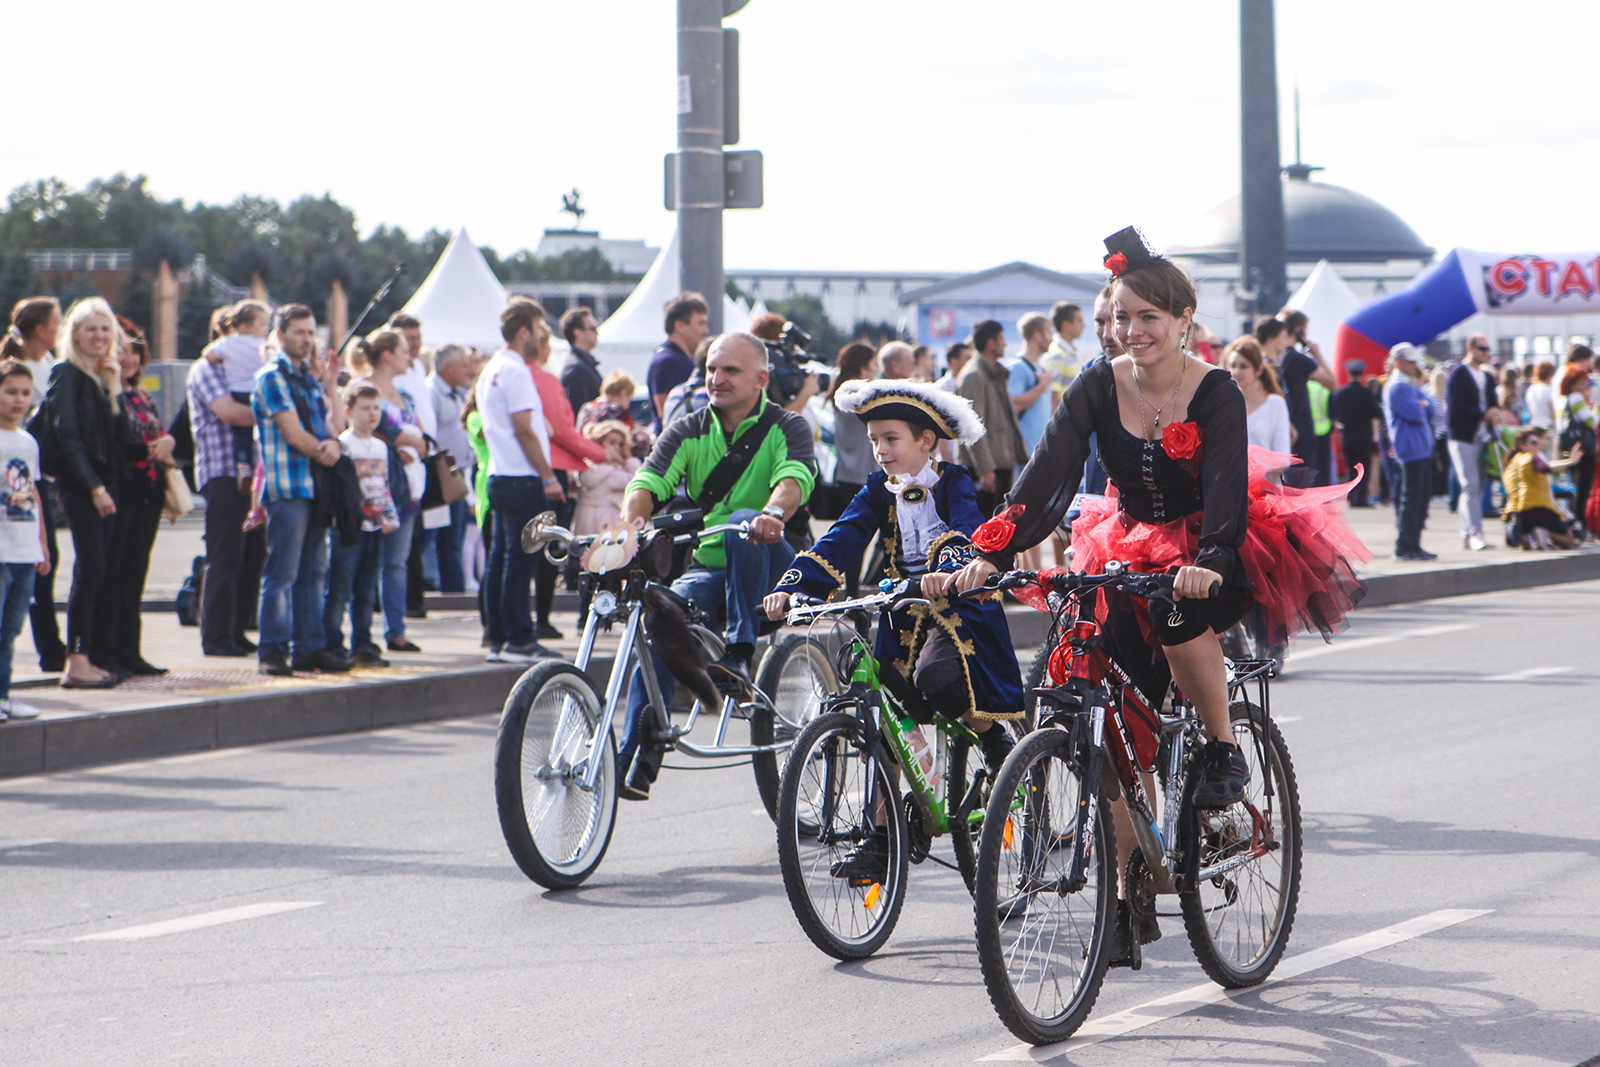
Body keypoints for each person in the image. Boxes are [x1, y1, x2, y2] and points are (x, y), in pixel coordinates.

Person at [943, 229, 1367, 961]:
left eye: (1146, 317)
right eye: (1118, 317)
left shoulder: (1215, 390)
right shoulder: (1096, 383)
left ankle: (1224, 750)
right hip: (1124, 538)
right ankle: (1128, 881)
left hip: (1214, 547)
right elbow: (1045, 481)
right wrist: (990, 551)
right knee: (1089, 687)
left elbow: (1227, 492)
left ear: (1183, 319)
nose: (1129, 331)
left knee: (1178, 613)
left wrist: (1207, 558)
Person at [763, 377, 1023, 879]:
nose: (880, 450)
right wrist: (794, 588)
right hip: (902, 611)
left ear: (927, 441)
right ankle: (883, 838)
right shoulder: (875, 491)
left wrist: (950, 567)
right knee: (882, 721)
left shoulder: (953, 481)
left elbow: (968, 529)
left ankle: (993, 740)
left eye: (891, 438)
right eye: (875, 440)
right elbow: (841, 537)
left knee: (939, 680)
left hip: (958, 606)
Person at [618, 331, 817, 799]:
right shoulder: (689, 427)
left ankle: (739, 654)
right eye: (711, 368)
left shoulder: (788, 426)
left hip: (774, 566)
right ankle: (638, 753)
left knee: (746, 523)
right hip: (712, 569)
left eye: (730, 370)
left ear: (761, 378)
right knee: (658, 614)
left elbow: (795, 478)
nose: (716, 378)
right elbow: (648, 479)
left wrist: (773, 515)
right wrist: (631, 527)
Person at [40, 298, 174, 688]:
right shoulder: (65, 372)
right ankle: (77, 660)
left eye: (105, 330)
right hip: (85, 486)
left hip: (110, 485)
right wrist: (95, 487)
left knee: (102, 573)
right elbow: (68, 436)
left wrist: (115, 386)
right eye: (91, 329)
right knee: (92, 569)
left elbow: (122, 440)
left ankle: (90, 656)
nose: (99, 337)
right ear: (74, 334)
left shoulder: (102, 378)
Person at [252, 304, 349, 676]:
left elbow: (336, 427)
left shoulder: (309, 379)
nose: (307, 340)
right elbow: (294, 434)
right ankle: (272, 648)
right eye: (299, 333)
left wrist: (330, 385)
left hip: (314, 488)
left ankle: (309, 647)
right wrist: (327, 450)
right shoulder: (271, 377)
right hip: (288, 486)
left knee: (314, 572)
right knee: (283, 572)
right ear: (280, 336)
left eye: (310, 333)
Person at [478, 297, 566, 664]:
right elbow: (525, 430)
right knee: (520, 560)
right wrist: (548, 476)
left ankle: (499, 636)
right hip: (521, 477)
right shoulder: (515, 371)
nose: (541, 337)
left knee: (502, 559)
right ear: (523, 331)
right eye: (539, 329)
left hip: (501, 474)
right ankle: (517, 636)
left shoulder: (491, 369)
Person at [89, 319, 170, 678]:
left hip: (149, 494)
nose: (129, 357)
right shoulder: (105, 395)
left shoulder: (142, 395)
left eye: (135, 350)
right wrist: (152, 448)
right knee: (114, 574)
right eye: (122, 349)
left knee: (135, 575)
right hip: (120, 492)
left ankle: (130, 651)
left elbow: (161, 435)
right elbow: (116, 446)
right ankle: (106, 653)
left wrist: (167, 444)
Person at [188, 322, 266, 657]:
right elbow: (230, 412)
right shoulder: (207, 369)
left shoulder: (249, 373)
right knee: (225, 556)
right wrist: (273, 412)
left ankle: (238, 630)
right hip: (222, 473)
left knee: (252, 557)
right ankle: (216, 636)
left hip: (254, 479)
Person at [348, 329, 428, 653]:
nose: (410, 356)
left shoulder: (404, 394)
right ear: (387, 355)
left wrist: (414, 444)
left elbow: (420, 436)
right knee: (364, 563)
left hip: (404, 486)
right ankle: (361, 634)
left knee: (397, 562)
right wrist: (404, 441)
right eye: (404, 350)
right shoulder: (361, 389)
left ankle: (396, 631)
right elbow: (361, 432)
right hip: (370, 487)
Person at [527, 317, 607, 640]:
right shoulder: (549, 377)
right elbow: (564, 430)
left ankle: (506, 627)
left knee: (516, 555)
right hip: (549, 469)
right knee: (548, 550)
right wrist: (601, 453)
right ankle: (539, 621)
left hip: (530, 468)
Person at [4, 296, 65, 672]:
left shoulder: (47, 363)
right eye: (57, 322)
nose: (21, 399)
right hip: (12, 476)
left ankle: (49, 647)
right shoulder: (18, 368)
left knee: (45, 560)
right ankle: (50, 648)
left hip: (33, 468)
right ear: (41, 329)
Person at [324, 383, 401, 667]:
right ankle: (332, 642)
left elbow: (384, 486)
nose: (372, 414)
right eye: (365, 408)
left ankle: (363, 642)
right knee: (339, 589)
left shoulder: (380, 447)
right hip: (349, 528)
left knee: (366, 590)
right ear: (349, 412)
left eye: (376, 408)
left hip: (375, 527)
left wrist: (389, 517)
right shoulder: (344, 444)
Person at [0, 360, 50, 720]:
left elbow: (32, 495)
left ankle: (3, 695)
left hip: (23, 549)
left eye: (24, 393)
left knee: (11, 629)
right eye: (10, 392)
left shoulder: (28, 441)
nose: (19, 400)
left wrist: (42, 543)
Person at [386, 313, 436, 620]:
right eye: (408, 340)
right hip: (401, 463)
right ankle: (406, 602)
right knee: (401, 544)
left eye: (417, 338)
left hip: (422, 459)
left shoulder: (417, 367)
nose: (415, 345)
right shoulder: (393, 377)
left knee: (417, 535)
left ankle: (413, 597)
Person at [821, 342, 879, 595]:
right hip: (863, 477)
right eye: (874, 364)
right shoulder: (859, 395)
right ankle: (852, 593)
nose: (876, 370)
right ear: (864, 366)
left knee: (852, 537)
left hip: (846, 476)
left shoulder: (840, 392)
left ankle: (850, 590)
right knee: (860, 540)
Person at [956, 320, 1028, 517]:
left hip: (999, 465)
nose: (1005, 344)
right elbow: (971, 427)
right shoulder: (974, 375)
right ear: (991, 342)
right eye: (1002, 338)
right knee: (983, 533)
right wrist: (985, 470)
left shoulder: (994, 372)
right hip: (987, 471)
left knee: (1000, 532)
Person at [202, 299, 270, 486]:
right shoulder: (263, 345)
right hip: (257, 392)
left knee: (241, 434)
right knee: (260, 430)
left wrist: (222, 361)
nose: (265, 328)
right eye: (262, 324)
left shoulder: (226, 343)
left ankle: (243, 465)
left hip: (237, 391)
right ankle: (261, 464)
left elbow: (208, 355)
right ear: (245, 325)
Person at [427, 344, 476, 593]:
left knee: (454, 536)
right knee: (442, 536)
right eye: (462, 364)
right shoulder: (432, 392)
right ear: (449, 367)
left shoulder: (457, 393)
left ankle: (453, 588)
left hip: (456, 474)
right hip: (439, 476)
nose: (467, 369)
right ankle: (448, 588)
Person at [1445, 333, 1501, 551]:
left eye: (1487, 349)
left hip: (1482, 436)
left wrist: (1495, 412)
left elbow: (1492, 402)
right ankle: (1475, 534)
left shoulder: (1486, 376)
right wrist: (1483, 414)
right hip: (1463, 436)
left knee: (1475, 487)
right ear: (1470, 348)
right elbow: (1456, 406)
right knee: (1470, 485)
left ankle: (1468, 534)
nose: (1485, 353)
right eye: (1481, 348)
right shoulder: (1458, 373)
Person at [1383, 343, 1437, 561]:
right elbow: (1418, 413)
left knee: (1419, 499)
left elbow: (1429, 409)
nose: (1415, 365)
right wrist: (1422, 405)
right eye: (1410, 361)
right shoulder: (1399, 386)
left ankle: (1413, 544)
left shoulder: (1407, 384)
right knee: (1412, 499)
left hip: (1419, 448)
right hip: (1411, 448)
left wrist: (1422, 404)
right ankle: (1406, 546)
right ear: (1398, 363)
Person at [1275, 310, 1337, 485]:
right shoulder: (1300, 359)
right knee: (1302, 485)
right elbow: (1333, 384)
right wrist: (1317, 354)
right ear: (1299, 330)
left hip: (1279, 425)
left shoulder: (1271, 359)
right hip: (1302, 427)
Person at [1502, 428, 1583, 549]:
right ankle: (1543, 531)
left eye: (1537, 442)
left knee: (1527, 543)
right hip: (1538, 508)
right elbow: (1545, 467)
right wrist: (1570, 461)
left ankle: (1529, 536)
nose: (1537, 445)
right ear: (1522, 445)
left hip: (1516, 512)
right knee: (1569, 540)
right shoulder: (1530, 458)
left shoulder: (1512, 462)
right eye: (1533, 442)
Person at [647, 292, 708, 430]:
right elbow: (667, 413)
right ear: (680, 326)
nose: (706, 331)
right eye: (701, 323)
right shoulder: (669, 361)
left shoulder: (674, 358)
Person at [1224, 336, 1290, 456]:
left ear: (1258, 370)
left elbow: (1282, 453)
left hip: (1267, 474)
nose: (1237, 372)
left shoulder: (1275, 403)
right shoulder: (1224, 405)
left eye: (1244, 366)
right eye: (1233, 366)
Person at [1331, 359, 1383, 507]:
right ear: (1361, 375)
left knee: (1350, 467)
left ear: (1348, 374)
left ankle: (1352, 495)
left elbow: (1335, 413)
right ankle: (1361, 497)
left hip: (1347, 435)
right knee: (1363, 468)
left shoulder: (1341, 393)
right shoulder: (1367, 393)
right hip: (1363, 436)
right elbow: (1377, 413)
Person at [578, 369, 652, 458]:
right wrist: (644, 437)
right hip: (611, 463)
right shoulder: (617, 411)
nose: (628, 405)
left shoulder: (587, 408)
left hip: (585, 460)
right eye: (629, 398)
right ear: (623, 393)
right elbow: (633, 445)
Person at [559, 307, 603, 415]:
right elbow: (579, 414)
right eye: (593, 329)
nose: (597, 333)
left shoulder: (583, 365)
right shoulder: (576, 369)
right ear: (578, 333)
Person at [1041, 301, 1084, 395]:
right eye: (1080, 320)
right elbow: (1052, 395)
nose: (1083, 325)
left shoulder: (1069, 351)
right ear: (1066, 326)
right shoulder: (1056, 355)